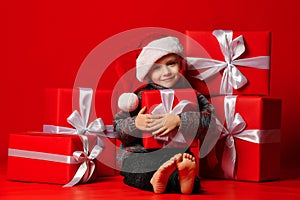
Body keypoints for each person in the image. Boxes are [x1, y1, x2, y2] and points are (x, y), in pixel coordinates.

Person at [113, 36, 214, 194]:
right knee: (135, 169)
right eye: (157, 68)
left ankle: (181, 181)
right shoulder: (138, 96)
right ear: (147, 73)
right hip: (140, 154)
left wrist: (180, 120)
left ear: (180, 63)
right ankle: (157, 179)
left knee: (186, 170)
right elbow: (117, 128)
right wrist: (135, 124)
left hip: (174, 154)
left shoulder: (192, 94)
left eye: (171, 64)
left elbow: (210, 120)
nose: (166, 72)